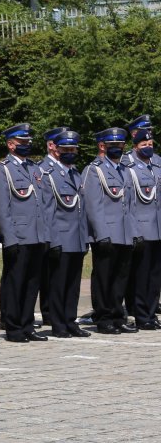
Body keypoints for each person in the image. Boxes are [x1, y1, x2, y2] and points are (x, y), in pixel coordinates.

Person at [0, 123, 49, 343]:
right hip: (18, 236)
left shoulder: (35, 169)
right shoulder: (3, 169)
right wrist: (9, 237)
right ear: (10, 144)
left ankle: (27, 325)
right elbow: (2, 207)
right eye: (22, 142)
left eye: (28, 142)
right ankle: (13, 327)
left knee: (32, 282)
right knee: (16, 282)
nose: (26, 145)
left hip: (36, 235)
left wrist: (44, 235)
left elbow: (41, 204)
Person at [83, 126, 136, 334]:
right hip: (106, 234)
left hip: (124, 233)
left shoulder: (125, 170)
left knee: (120, 277)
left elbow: (130, 205)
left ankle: (117, 315)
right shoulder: (94, 170)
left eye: (121, 145)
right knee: (104, 277)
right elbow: (93, 206)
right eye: (113, 145)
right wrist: (100, 233)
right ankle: (103, 317)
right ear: (102, 146)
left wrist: (133, 232)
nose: (118, 148)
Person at [39, 129, 90, 337]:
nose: (70, 152)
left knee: (73, 284)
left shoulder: (74, 173)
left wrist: (84, 237)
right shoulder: (49, 174)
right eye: (66, 149)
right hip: (61, 236)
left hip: (76, 237)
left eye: (73, 149)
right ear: (57, 150)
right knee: (58, 284)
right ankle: (59, 323)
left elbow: (81, 209)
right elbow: (48, 210)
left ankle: (71, 320)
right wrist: (53, 239)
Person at [125, 116, 161, 330]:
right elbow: (128, 203)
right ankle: (140, 314)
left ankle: (150, 312)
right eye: (144, 144)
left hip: (157, 228)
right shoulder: (129, 166)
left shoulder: (157, 165)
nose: (148, 147)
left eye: (150, 144)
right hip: (141, 228)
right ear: (135, 145)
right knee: (141, 274)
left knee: (155, 275)